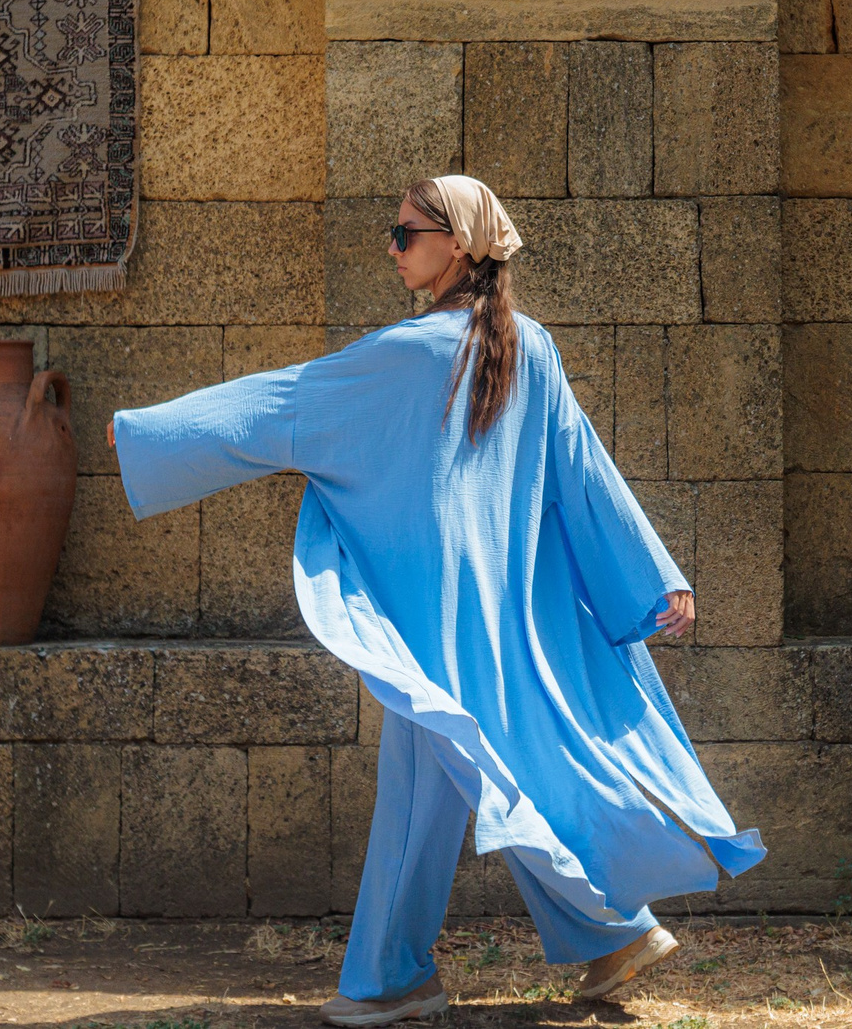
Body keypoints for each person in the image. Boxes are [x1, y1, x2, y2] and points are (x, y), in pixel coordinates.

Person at [111, 174, 763, 1027]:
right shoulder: (531, 344)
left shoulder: (410, 352)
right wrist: (657, 576)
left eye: (404, 232)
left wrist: (152, 436)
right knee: (478, 769)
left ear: (456, 243)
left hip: (435, 619)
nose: (392, 247)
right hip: (503, 622)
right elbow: (588, 473)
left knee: (434, 780)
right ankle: (600, 933)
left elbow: (283, 405)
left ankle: (395, 978)